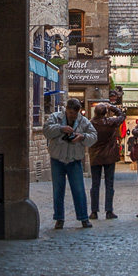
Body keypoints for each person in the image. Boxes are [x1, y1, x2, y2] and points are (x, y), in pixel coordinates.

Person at [43, 97, 97, 229]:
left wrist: (82, 137)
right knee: (58, 190)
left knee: (78, 189)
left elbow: (94, 136)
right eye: (70, 113)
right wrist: (61, 129)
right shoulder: (55, 117)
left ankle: (83, 218)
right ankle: (59, 218)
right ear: (66, 109)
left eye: (75, 113)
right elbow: (46, 130)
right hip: (57, 158)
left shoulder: (83, 121)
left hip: (74, 160)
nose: (72, 116)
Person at [89, 102, 126, 219]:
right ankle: (109, 210)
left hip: (95, 155)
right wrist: (112, 107)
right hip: (109, 156)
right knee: (109, 184)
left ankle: (94, 211)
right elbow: (122, 115)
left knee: (95, 184)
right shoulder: (110, 122)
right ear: (105, 113)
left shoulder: (91, 123)